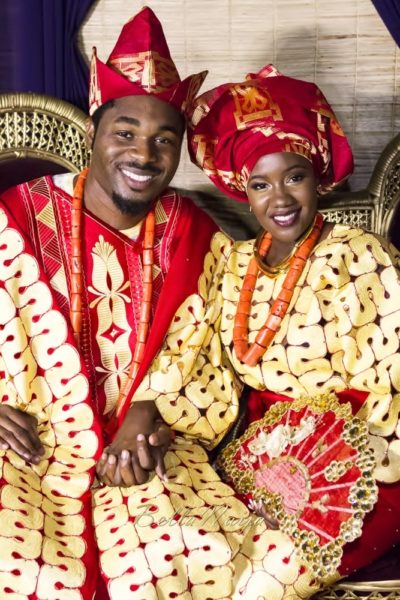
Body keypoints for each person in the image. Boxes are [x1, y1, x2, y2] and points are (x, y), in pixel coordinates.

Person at [102, 65, 400, 598]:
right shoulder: (234, 264)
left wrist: (338, 449)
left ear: (319, 177)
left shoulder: (362, 256)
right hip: (252, 449)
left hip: (362, 458)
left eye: (294, 176)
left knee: (256, 586)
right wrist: (149, 409)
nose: (279, 199)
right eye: (260, 184)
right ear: (243, 191)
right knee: (184, 559)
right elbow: (194, 350)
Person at [0, 7, 218, 599]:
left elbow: (216, 354)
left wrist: (157, 413)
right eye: (125, 133)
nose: (143, 155)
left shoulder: (194, 230)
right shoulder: (15, 212)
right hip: (26, 448)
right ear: (93, 135)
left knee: (187, 560)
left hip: (147, 454)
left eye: (162, 141)